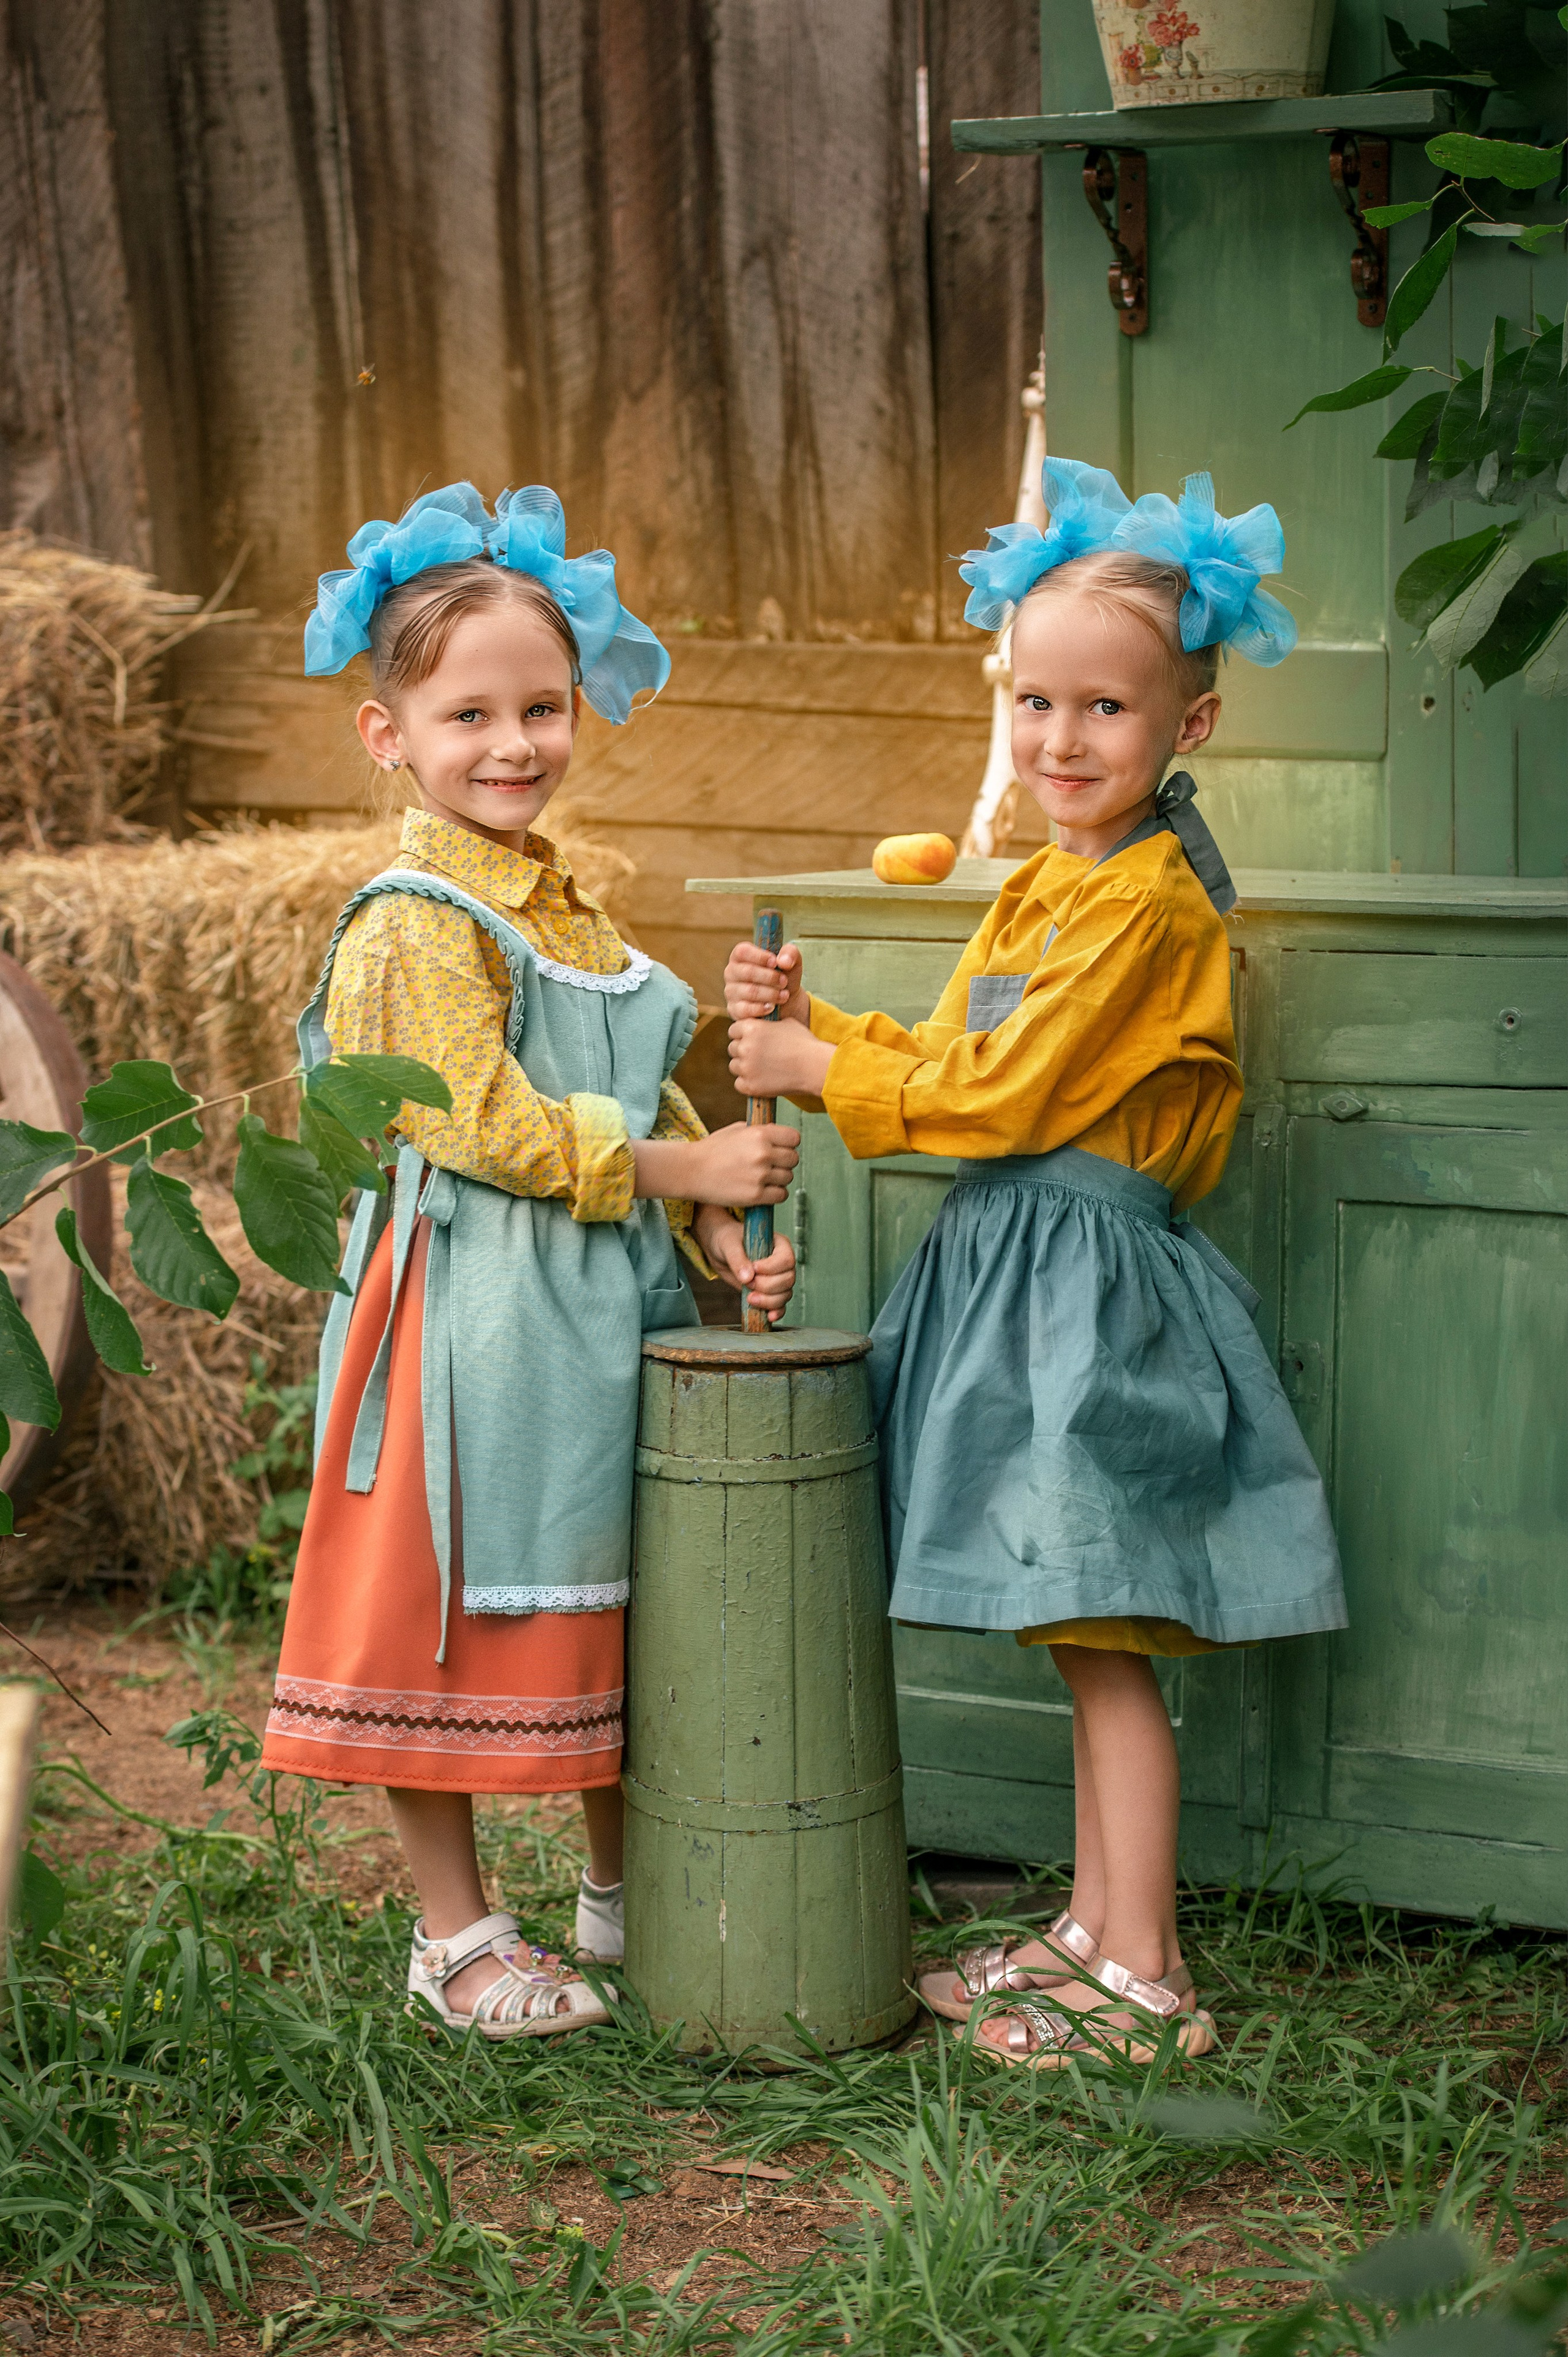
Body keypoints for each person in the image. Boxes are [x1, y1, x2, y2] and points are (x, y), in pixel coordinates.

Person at [724, 459, 1345, 2068]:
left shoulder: (1147, 908)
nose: (1060, 742)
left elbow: (995, 1100)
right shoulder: (1054, 886)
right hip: (1030, 1279)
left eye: (1107, 711)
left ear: (1185, 729)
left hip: (1094, 1301)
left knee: (1108, 1630)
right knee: (1079, 1631)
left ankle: (1144, 1979)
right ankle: (1086, 1936)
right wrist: (816, 1031)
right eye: (1033, 702)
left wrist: (816, 1079)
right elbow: (946, 1047)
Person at [261, 483, 798, 2038]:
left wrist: (706, 1207)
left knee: (611, 1578)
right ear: (388, 735)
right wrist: (679, 1166)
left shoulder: (569, 897)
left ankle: (619, 1891)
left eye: (542, 707)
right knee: (457, 1593)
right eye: (468, 713)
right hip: (471, 1311)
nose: (513, 743)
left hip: (591, 1299)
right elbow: (480, 1122)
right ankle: (452, 1930)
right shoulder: (412, 920)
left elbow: (638, 1070)